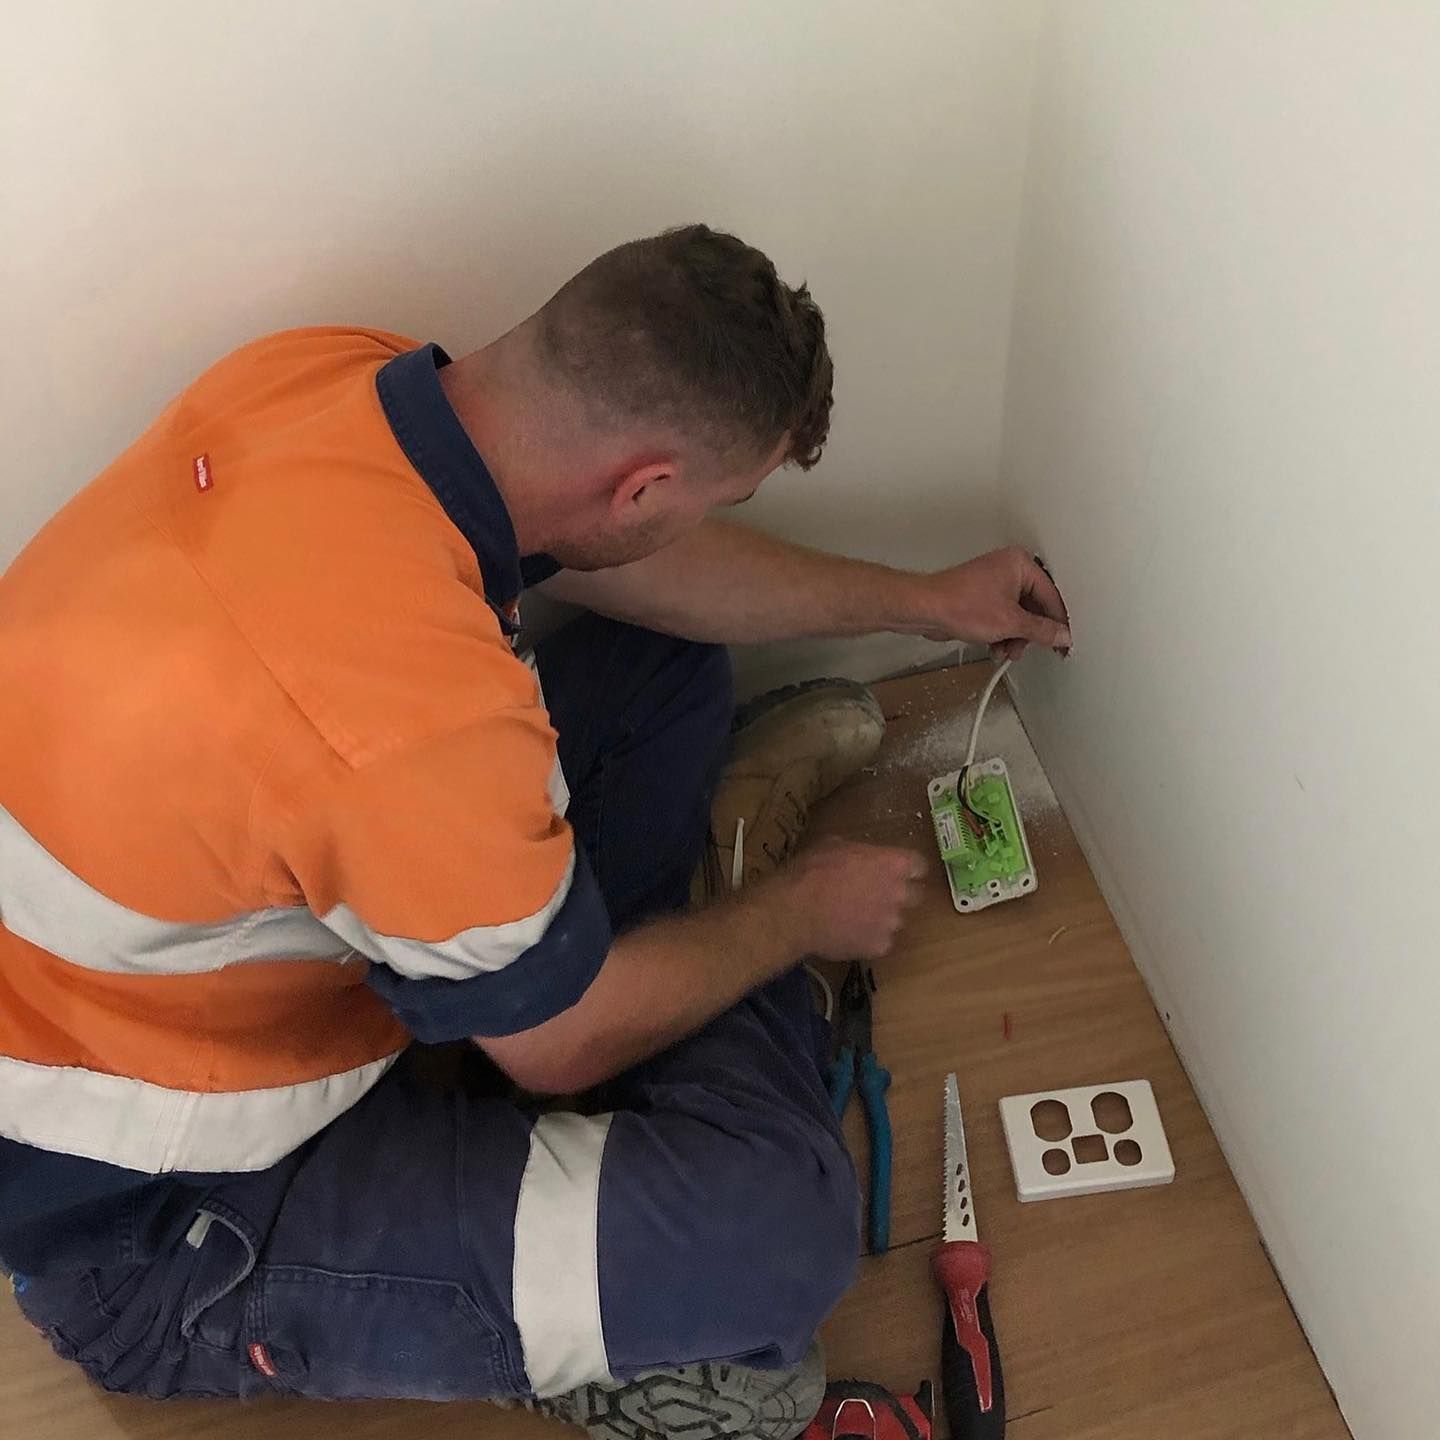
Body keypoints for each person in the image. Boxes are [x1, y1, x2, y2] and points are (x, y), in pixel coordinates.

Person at [0, 225, 1070, 1437]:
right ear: (644, 487)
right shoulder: (411, 734)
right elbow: (563, 1048)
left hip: (167, 966)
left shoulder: (328, 381)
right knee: (783, 1230)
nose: (688, 529)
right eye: (702, 504)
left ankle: (613, 1012)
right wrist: (797, 914)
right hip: (149, 1226)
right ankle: (709, 947)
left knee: (664, 667)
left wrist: (924, 602)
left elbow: (640, 574)